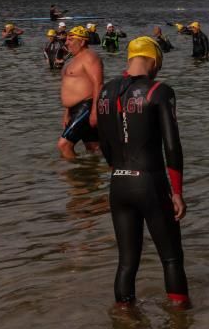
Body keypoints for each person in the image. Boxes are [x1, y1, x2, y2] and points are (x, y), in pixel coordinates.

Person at [97, 37, 189, 308]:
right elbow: (172, 146)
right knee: (171, 258)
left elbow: (103, 141)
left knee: (127, 262)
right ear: (154, 60)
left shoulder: (105, 91)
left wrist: (117, 169)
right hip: (150, 182)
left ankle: (125, 318)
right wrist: (178, 192)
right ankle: (180, 321)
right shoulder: (160, 91)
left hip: (119, 185)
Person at [58, 25, 103, 159]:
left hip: (87, 106)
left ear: (82, 42)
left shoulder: (90, 57)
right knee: (93, 147)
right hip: (75, 109)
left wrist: (95, 111)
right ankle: (96, 176)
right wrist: (67, 112)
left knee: (64, 145)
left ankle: (77, 176)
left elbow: (98, 84)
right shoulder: (72, 60)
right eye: (66, 39)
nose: (66, 43)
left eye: (71, 40)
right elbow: (69, 89)